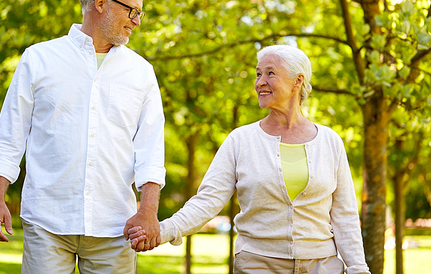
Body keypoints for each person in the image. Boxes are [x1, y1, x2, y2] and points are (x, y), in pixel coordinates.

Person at [0, 0, 165, 274]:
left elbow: (150, 149)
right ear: (100, 3)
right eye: (132, 11)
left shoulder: (141, 72)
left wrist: (148, 212)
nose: (136, 22)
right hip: (47, 220)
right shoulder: (39, 59)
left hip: (114, 227)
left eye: (140, 14)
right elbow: (10, 136)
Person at [127, 45, 370, 273]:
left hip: (322, 265)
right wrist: (163, 229)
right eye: (258, 74)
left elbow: (344, 215)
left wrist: (358, 269)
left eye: (270, 73)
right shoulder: (240, 140)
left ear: (298, 81)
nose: (260, 82)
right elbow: (207, 201)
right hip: (258, 263)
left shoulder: (329, 141)